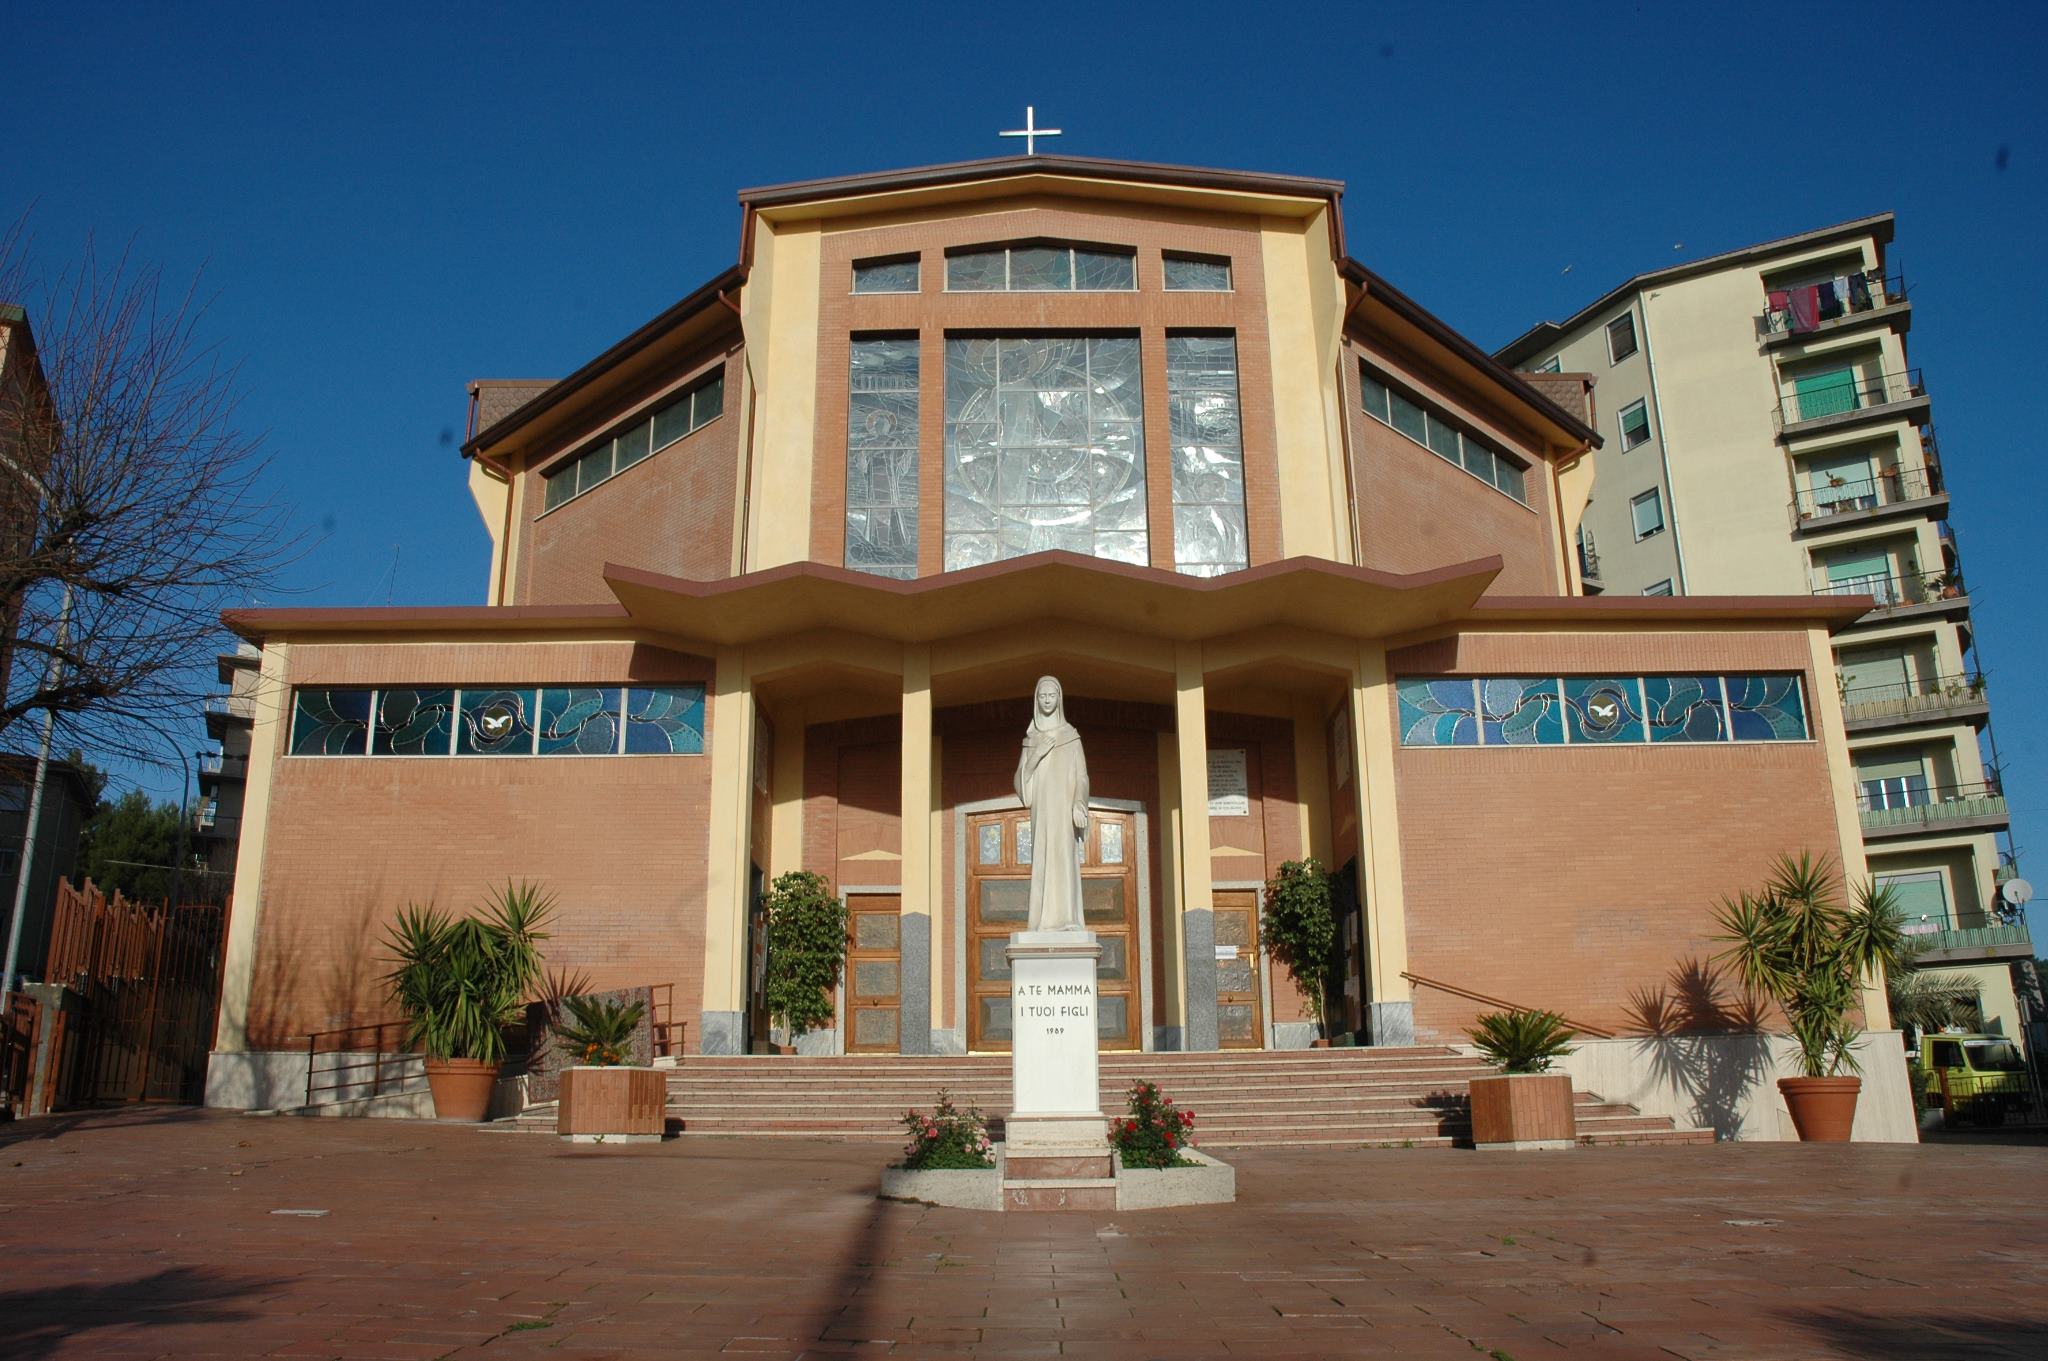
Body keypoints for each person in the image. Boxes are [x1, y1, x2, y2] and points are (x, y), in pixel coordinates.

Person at [1013, 675, 1089, 932]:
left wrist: (1079, 803)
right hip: (1042, 812)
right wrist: (1036, 755)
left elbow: (1081, 775)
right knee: (1043, 859)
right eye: (1042, 696)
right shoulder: (1031, 739)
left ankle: (1068, 918)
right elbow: (1022, 785)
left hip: (1064, 811)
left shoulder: (1071, 736)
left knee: (1065, 857)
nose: (1047, 700)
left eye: (1051, 695)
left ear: (1059, 699)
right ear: (1037, 700)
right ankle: (1041, 922)